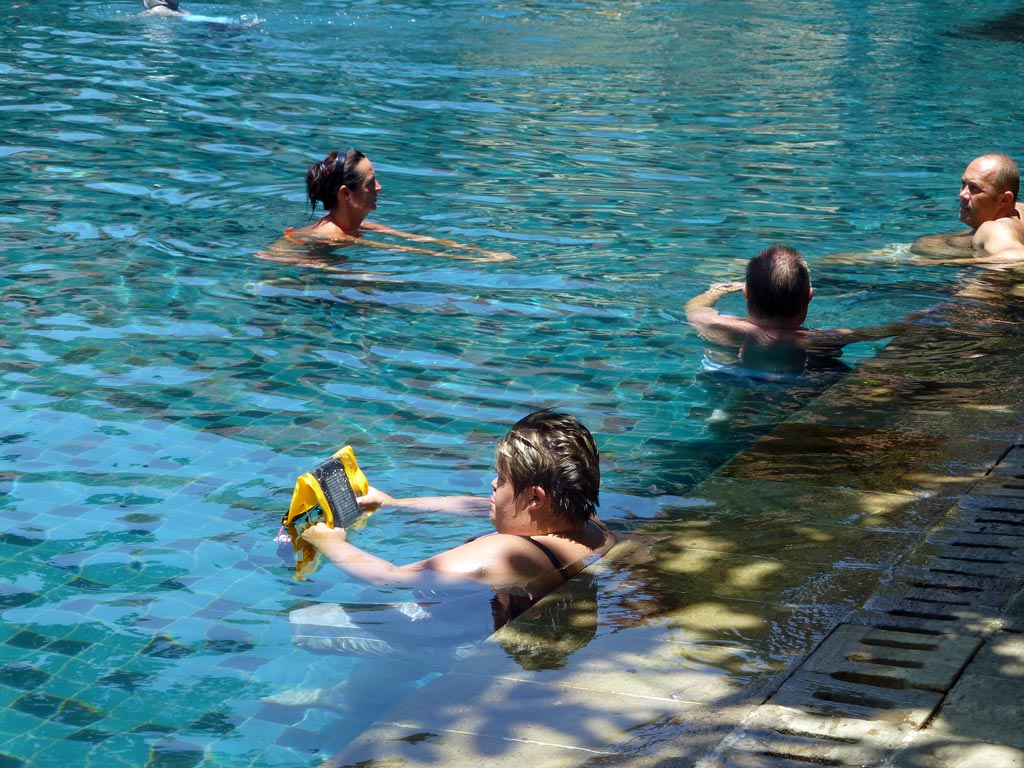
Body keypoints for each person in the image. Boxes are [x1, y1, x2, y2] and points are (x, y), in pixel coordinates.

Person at [300, 409, 616, 607]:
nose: (493, 484)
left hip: (456, 638)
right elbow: (478, 506)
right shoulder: (588, 524)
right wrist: (395, 504)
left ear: (535, 499)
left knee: (309, 622)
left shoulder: (504, 552)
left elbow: (390, 578)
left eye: (503, 479)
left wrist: (330, 543)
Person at [685, 245, 912, 380]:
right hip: (794, 384)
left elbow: (693, 307)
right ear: (809, 297)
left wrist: (716, 291)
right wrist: (918, 318)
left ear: (745, 294)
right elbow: (884, 331)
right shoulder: (821, 339)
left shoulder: (711, 324)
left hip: (726, 377)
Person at [260, 148, 513, 265]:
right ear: (346, 194)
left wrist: (478, 251)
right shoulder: (333, 234)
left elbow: (417, 240)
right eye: (371, 182)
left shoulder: (360, 226)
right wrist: (475, 260)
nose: (379, 187)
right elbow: (404, 249)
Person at [910, 153, 1024, 268]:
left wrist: (940, 263)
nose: (962, 194)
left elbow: (1019, 257)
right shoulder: (1019, 210)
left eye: (975, 189)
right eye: (964, 184)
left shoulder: (994, 228)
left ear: (1004, 200)